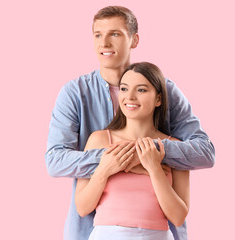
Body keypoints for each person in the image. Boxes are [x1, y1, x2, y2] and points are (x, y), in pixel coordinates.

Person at [45, 5, 214, 240]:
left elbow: (205, 153)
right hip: (90, 230)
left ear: (134, 40)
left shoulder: (166, 90)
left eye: (114, 34)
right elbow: (55, 161)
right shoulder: (75, 93)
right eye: (97, 35)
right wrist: (116, 159)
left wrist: (150, 157)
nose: (104, 43)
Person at [75, 62, 190, 240]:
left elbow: (178, 216)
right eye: (124, 88)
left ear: (158, 99)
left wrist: (154, 169)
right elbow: (82, 208)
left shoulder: (174, 147)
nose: (130, 97)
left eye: (141, 90)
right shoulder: (99, 140)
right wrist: (105, 170)